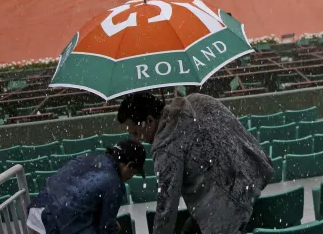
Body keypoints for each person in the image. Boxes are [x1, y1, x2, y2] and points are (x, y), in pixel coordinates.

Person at [117, 92, 273, 234]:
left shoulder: (165, 147)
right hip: (251, 181)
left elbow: (167, 207)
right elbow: (239, 133)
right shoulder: (200, 100)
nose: (137, 139)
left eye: (136, 133)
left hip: (225, 212)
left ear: (149, 120)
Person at [27, 139, 146, 234]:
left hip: (37, 210)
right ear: (129, 166)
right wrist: (113, 227)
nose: (131, 177)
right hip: (54, 222)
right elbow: (107, 228)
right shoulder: (115, 183)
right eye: (133, 173)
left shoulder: (87, 157)